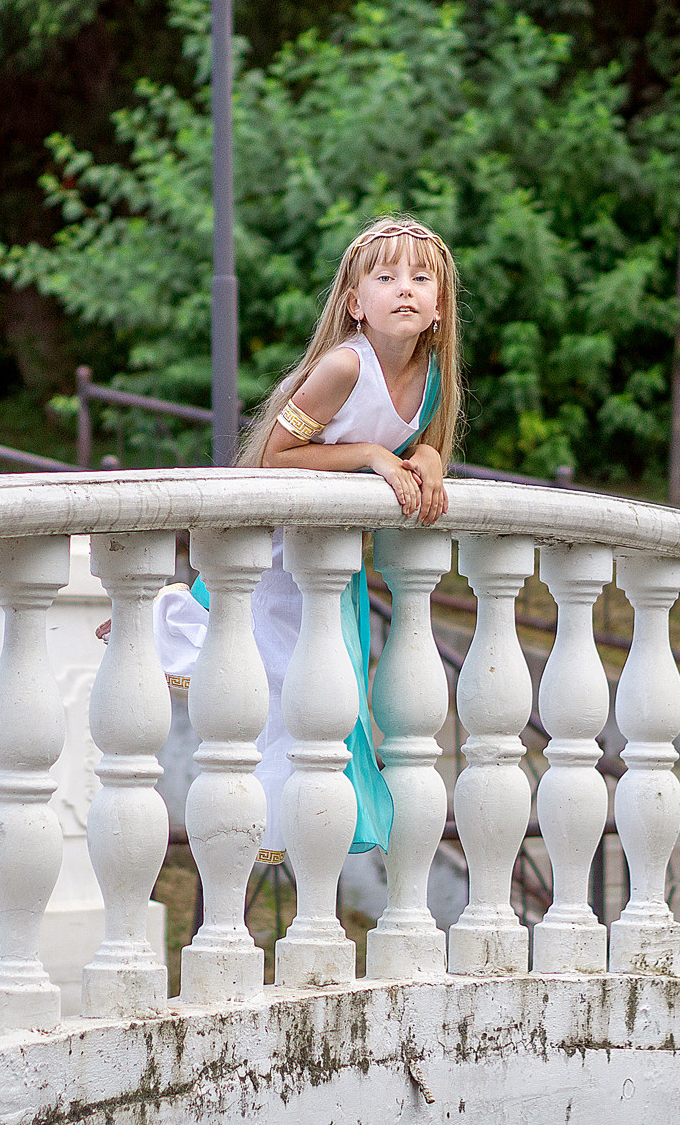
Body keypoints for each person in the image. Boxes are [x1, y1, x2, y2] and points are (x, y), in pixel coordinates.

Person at [154, 213, 463, 864]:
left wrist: (428, 466)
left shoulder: (432, 378)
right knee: (272, 675)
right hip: (276, 546)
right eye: (385, 277)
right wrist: (374, 455)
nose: (403, 288)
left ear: (439, 307)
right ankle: (158, 620)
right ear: (355, 303)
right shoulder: (345, 368)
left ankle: (298, 824)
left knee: (325, 690)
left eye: (419, 278)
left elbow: (429, 448)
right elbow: (272, 456)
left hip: (327, 559)